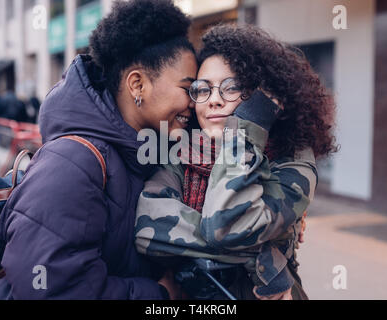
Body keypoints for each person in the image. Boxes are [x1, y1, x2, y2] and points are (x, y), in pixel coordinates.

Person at [0, 0, 197, 300]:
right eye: (188, 88)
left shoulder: (140, 154)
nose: (194, 103)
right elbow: (49, 289)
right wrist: (158, 295)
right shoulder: (74, 163)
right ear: (137, 85)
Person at [135, 24, 338, 300]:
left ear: (260, 97)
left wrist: (246, 129)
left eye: (231, 88)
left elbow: (224, 226)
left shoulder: (293, 158)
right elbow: (148, 229)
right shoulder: (181, 153)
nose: (214, 100)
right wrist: (265, 255)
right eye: (202, 89)